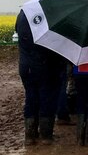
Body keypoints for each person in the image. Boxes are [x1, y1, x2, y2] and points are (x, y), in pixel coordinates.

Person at [15, 9, 67, 144]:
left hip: (26, 65)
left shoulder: (24, 13)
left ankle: (30, 136)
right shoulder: (53, 15)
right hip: (47, 66)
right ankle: (46, 136)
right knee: (47, 99)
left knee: (31, 98)